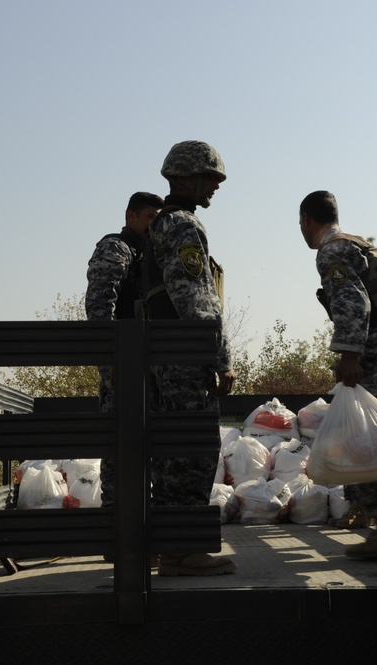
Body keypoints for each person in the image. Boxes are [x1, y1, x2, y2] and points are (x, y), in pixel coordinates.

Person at [299, 190, 377, 558]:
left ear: (307, 220)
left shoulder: (332, 250)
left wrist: (348, 354)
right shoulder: (361, 245)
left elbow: (353, 302)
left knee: (372, 440)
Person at [141, 140, 236, 576]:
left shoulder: (164, 223)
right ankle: (181, 551)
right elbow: (196, 301)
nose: (215, 185)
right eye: (209, 177)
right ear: (184, 178)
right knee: (192, 449)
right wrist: (220, 359)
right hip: (184, 357)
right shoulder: (181, 226)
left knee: (175, 452)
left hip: (166, 354)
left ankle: (174, 547)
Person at [85, 191, 165, 507]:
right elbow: (99, 305)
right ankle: (116, 532)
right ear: (130, 217)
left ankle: (150, 534)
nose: (154, 226)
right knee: (120, 449)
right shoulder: (116, 248)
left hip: (154, 364)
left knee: (156, 449)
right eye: (149, 218)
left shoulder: (154, 254)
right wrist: (110, 357)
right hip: (124, 363)